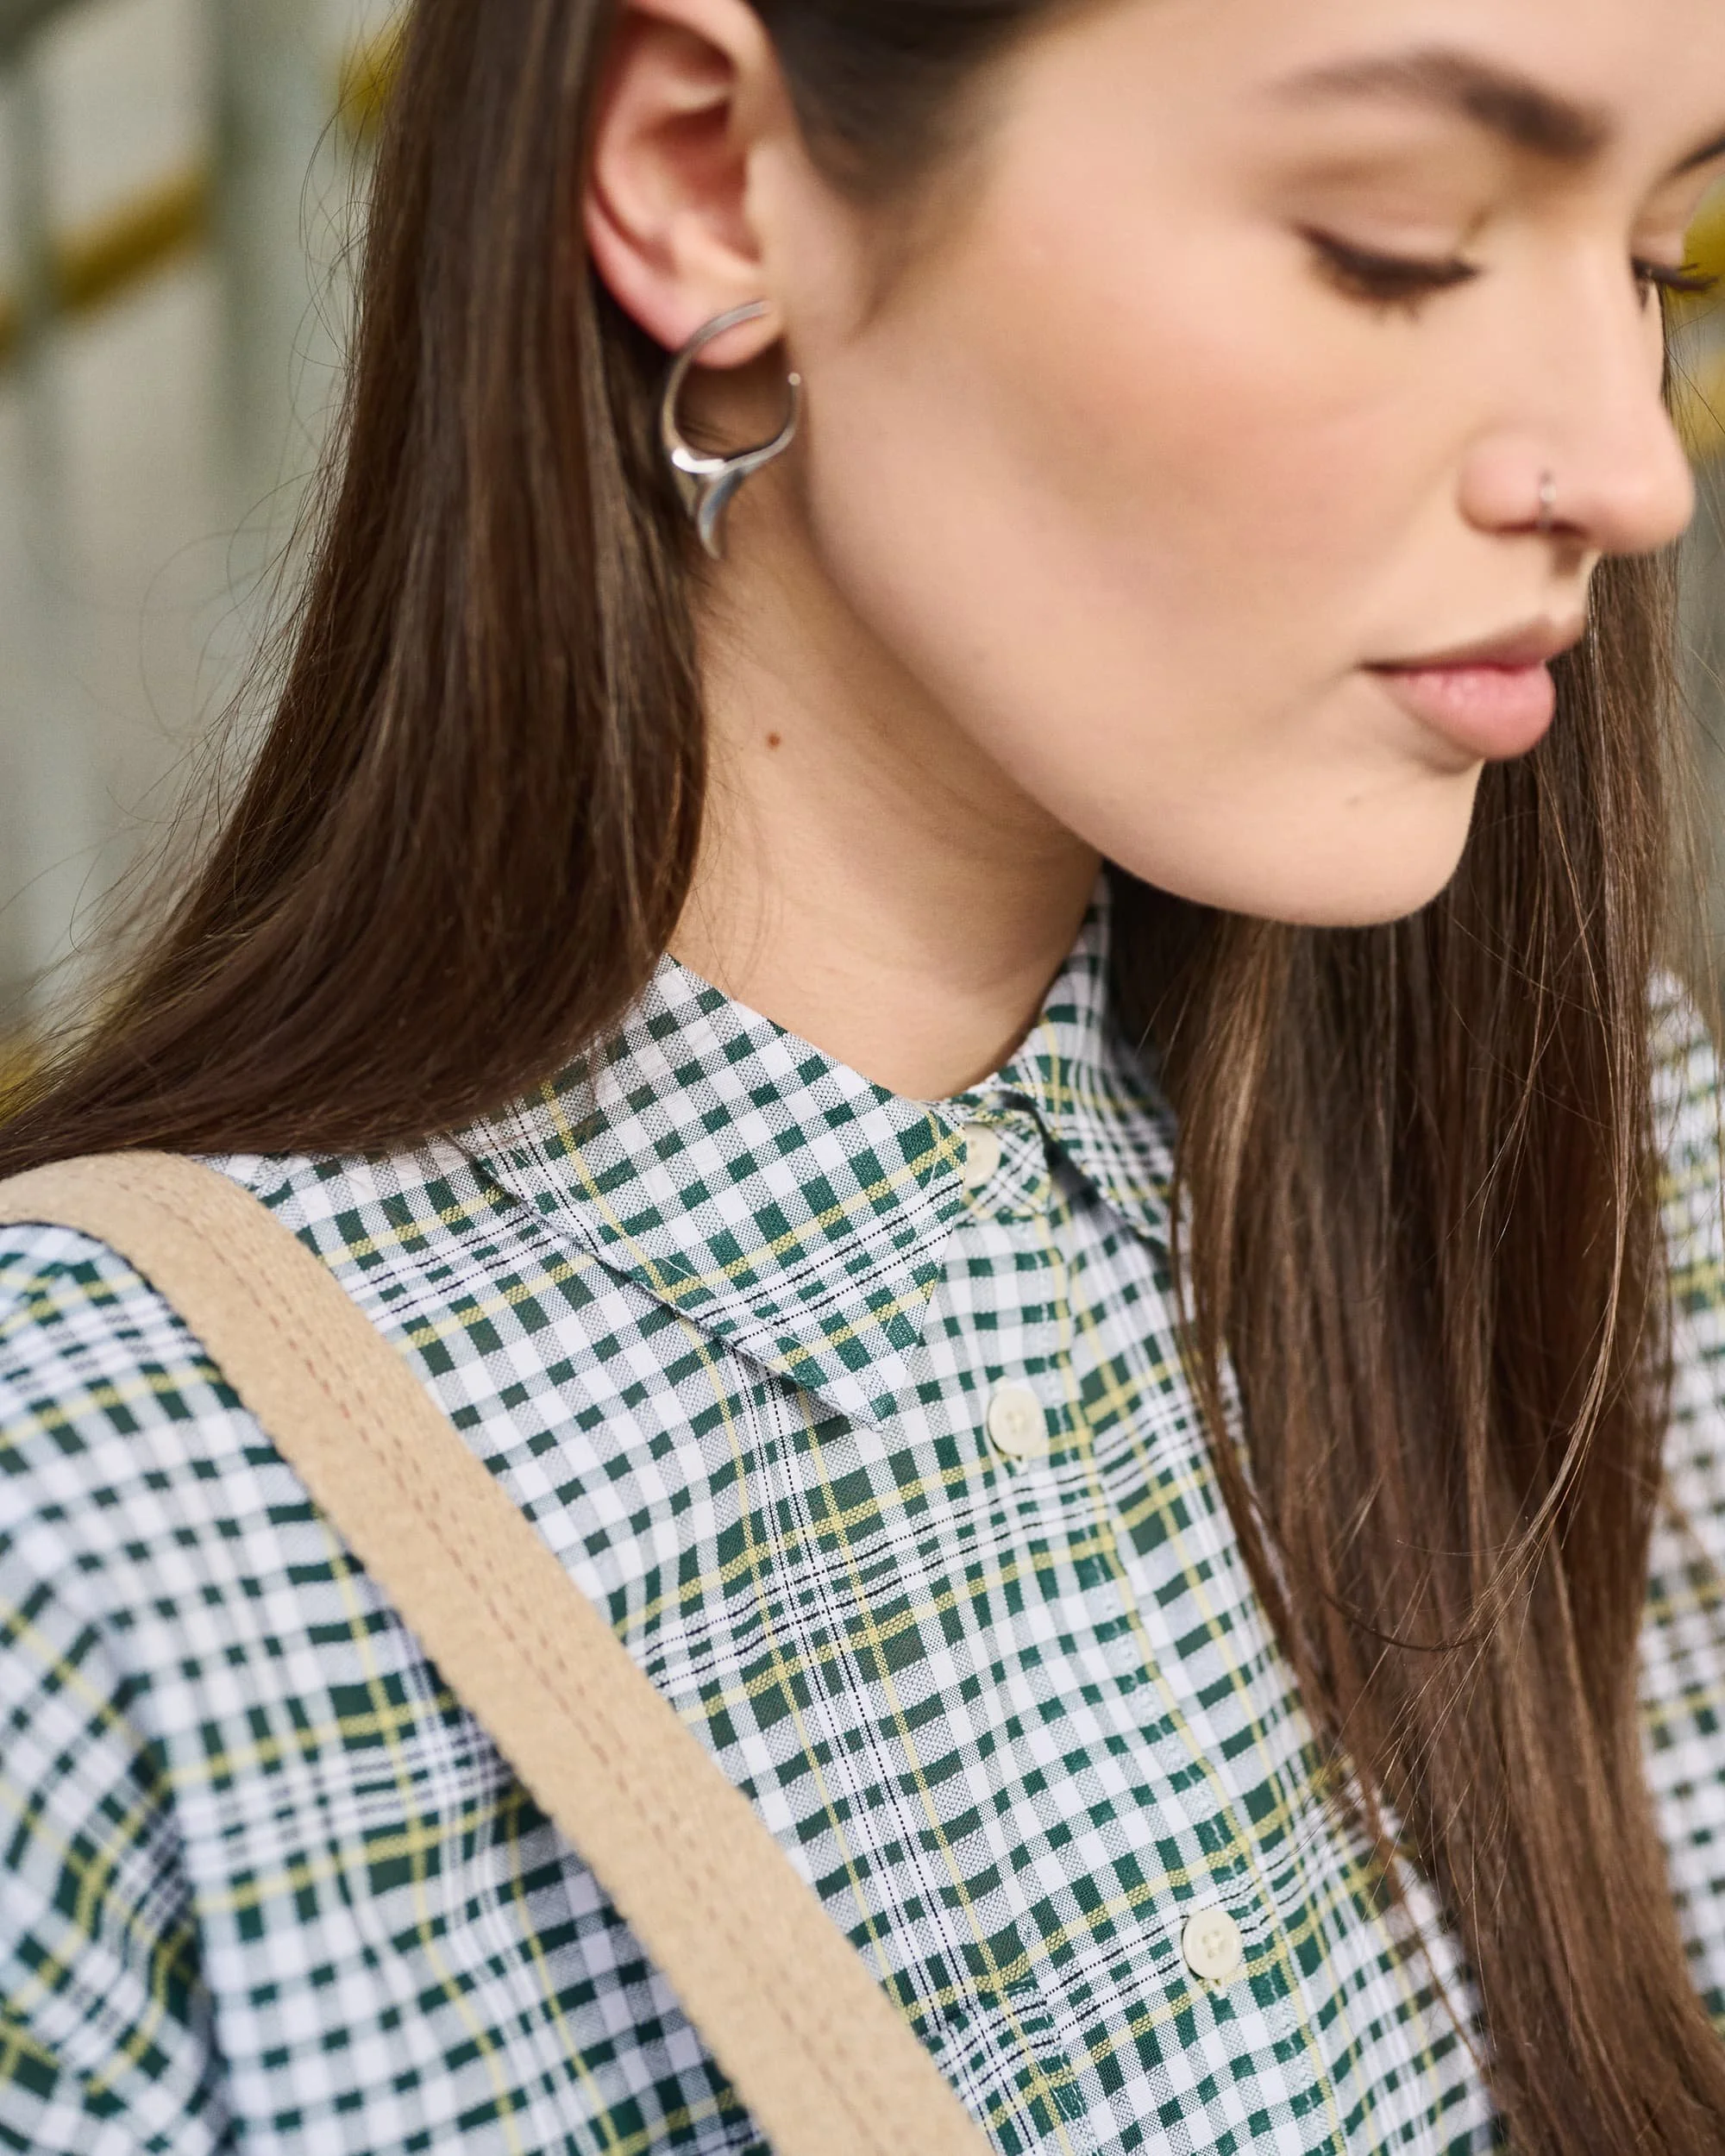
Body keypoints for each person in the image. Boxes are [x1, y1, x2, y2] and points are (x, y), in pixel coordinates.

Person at [3, 0, 1725, 2147]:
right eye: (1390, 242)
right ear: (706, 180)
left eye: (1656, 258)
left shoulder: (1587, 1142)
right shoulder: (90, 1553)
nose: (1632, 464)